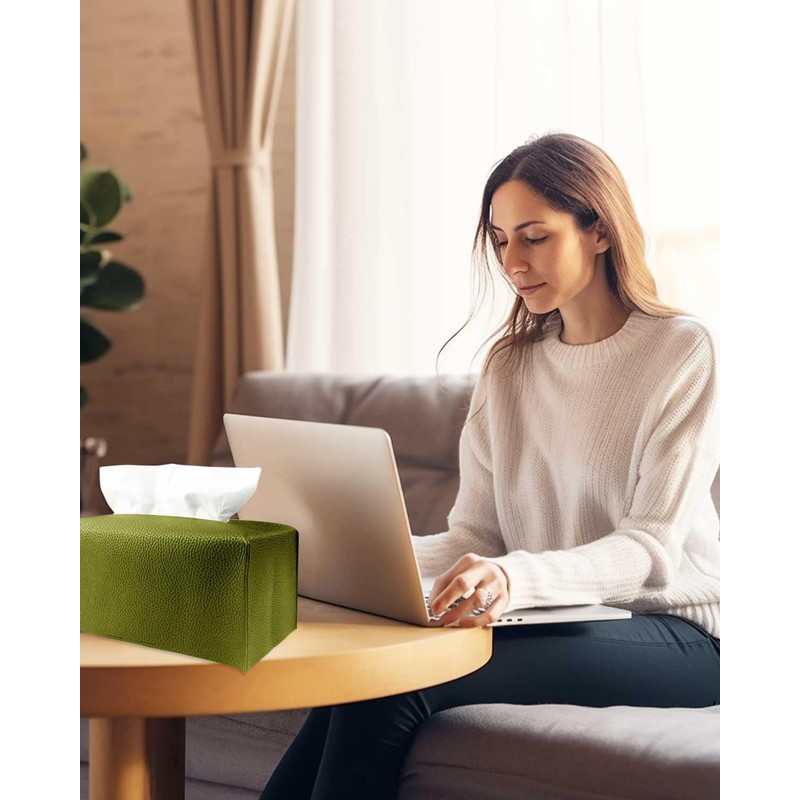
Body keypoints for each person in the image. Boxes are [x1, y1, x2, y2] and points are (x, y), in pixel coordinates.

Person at [258, 131, 720, 800]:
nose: (513, 260)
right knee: (359, 672)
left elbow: (649, 549)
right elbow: (476, 537)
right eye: (501, 240)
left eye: (535, 236)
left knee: (392, 687)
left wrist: (511, 578)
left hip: (684, 635)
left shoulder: (681, 350)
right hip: (562, 615)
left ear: (598, 230)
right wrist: (355, 556)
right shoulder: (510, 366)